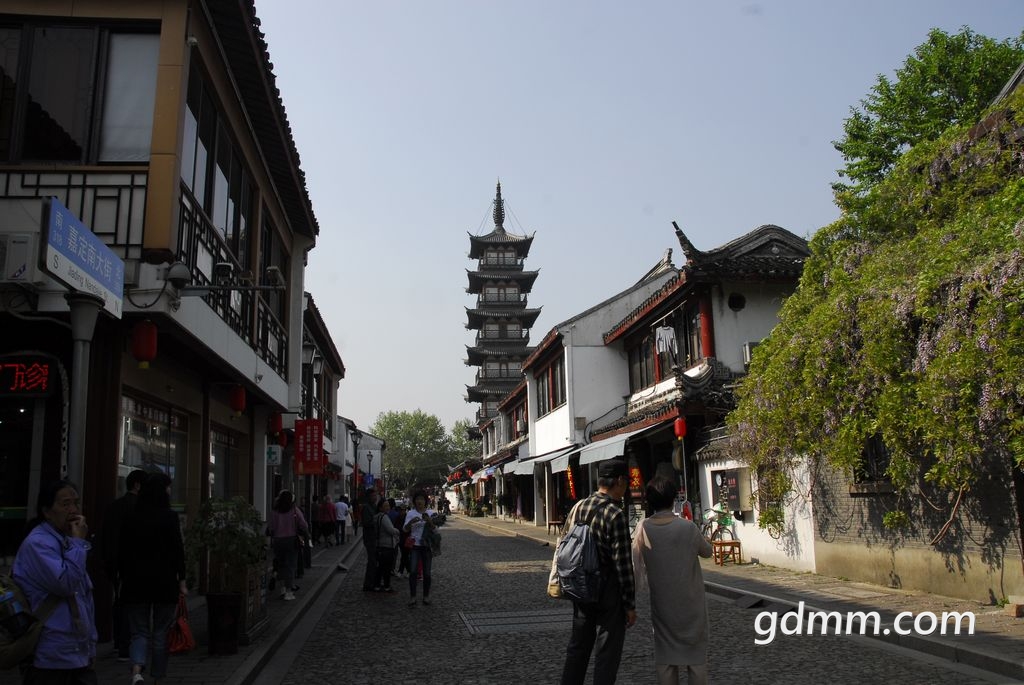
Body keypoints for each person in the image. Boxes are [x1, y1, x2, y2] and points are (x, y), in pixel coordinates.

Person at [12, 479, 98, 683]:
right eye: (65, 504)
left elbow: (84, 596)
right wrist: (78, 543)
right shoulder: (38, 543)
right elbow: (66, 583)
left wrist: (91, 643)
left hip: (77, 652)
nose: (73, 510)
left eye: (75, 503)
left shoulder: (65, 540)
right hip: (51, 654)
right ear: (47, 511)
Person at [560, 458, 636, 685]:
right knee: (607, 651)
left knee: (578, 647)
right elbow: (623, 564)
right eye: (626, 483)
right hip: (607, 591)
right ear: (619, 481)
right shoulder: (615, 514)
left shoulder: (581, 506)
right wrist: (629, 604)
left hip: (581, 585)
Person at [632, 475, 712, 685]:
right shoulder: (688, 528)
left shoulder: (644, 528)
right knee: (696, 661)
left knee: (666, 660)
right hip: (691, 604)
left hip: (663, 605)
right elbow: (707, 552)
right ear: (673, 499)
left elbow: (635, 566)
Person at [118, 473, 188, 685]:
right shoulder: (169, 517)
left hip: (135, 582)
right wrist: (182, 580)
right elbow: (178, 551)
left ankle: (137, 671)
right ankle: (157, 677)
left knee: (139, 632)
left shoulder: (131, 516)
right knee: (160, 633)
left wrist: (122, 576)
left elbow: (123, 551)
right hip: (164, 582)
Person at [99, 468, 147, 662]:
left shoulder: (114, 506)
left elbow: (106, 537)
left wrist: (109, 563)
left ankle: (120, 643)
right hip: (134, 564)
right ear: (137, 485)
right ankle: (129, 645)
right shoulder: (139, 508)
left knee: (119, 603)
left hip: (116, 563)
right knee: (133, 606)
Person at [266, 490, 307, 601]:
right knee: (290, 566)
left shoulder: (275, 511)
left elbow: (271, 527)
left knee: (280, 564)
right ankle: (289, 591)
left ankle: (283, 588)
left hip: (278, 541)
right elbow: (304, 525)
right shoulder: (294, 510)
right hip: (291, 540)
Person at [403, 490, 439, 606]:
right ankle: (413, 597)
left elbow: (436, 531)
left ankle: (426, 596)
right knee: (413, 572)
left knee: (427, 573)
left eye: (422, 499)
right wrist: (411, 523)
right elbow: (405, 529)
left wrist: (430, 522)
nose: (419, 501)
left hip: (427, 546)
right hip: (415, 546)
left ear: (425, 501)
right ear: (414, 501)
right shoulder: (411, 513)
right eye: (417, 499)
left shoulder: (431, 513)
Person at [372, 498, 399, 592]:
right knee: (387, 568)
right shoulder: (384, 517)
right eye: (385, 506)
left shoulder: (377, 517)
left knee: (380, 567)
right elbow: (391, 530)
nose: (388, 507)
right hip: (386, 546)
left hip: (379, 545)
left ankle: (377, 586)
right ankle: (387, 586)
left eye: (388, 505)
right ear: (380, 508)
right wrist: (397, 530)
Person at [360, 488, 380, 591]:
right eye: (373, 496)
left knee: (374, 561)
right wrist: (376, 522)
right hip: (370, 538)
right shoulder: (367, 508)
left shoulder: (374, 507)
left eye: (375, 495)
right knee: (372, 561)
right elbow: (366, 523)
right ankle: (368, 584)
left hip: (375, 537)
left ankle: (372, 582)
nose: (375, 497)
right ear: (368, 497)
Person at [394, 501, 411, 577]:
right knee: (405, 555)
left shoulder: (408, 517)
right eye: (400, 510)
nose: (401, 511)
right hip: (400, 539)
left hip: (407, 539)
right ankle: (408, 571)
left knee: (405, 555)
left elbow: (410, 528)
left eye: (403, 510)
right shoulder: (397, 518)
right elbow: (396, 528)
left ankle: (401, 571)